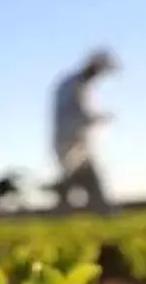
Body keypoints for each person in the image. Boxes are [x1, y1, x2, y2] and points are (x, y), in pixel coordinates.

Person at [48, 48, 118, 215]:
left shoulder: (75, 84)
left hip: (75, 141)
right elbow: (75, 113)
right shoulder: (74, 85)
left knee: (78, 179)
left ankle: (98, 209)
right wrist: (98, 118)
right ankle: (102, 210)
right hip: (70, 142)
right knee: (83, 178)